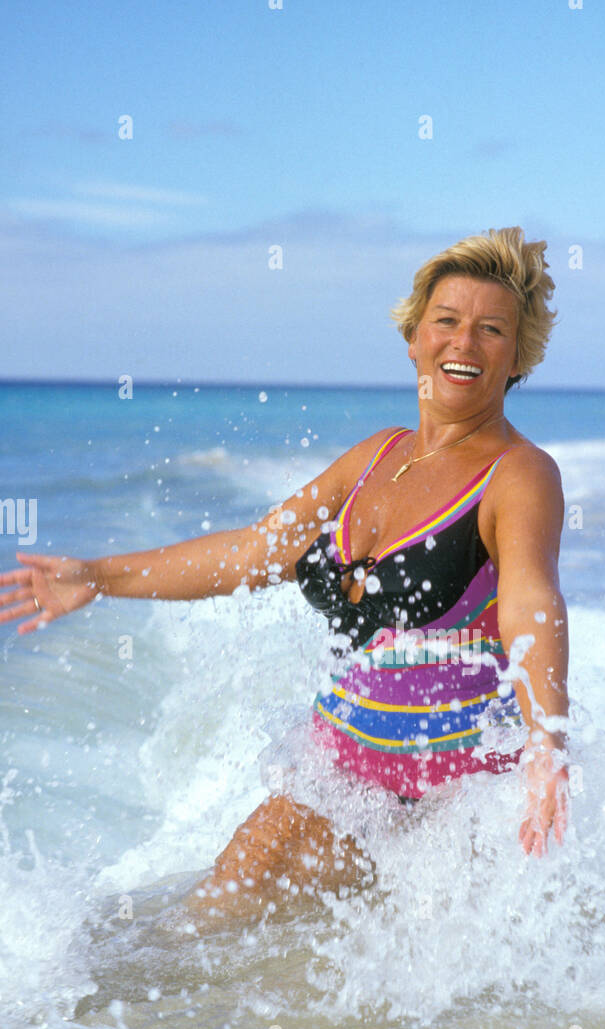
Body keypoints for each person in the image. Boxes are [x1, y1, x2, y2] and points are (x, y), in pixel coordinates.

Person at [1, 226, 570, 927]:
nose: (464, 344)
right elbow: (252, 551)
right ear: (413, 337)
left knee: (408, 1008)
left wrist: (546, 742)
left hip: (451, 803)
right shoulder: (374, 457)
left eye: (491, 330)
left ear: (518, 355)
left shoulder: (518, 474)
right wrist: (97, 576)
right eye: (446, 322)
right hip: (340, 776)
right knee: (210, 922)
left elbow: (529, 600)